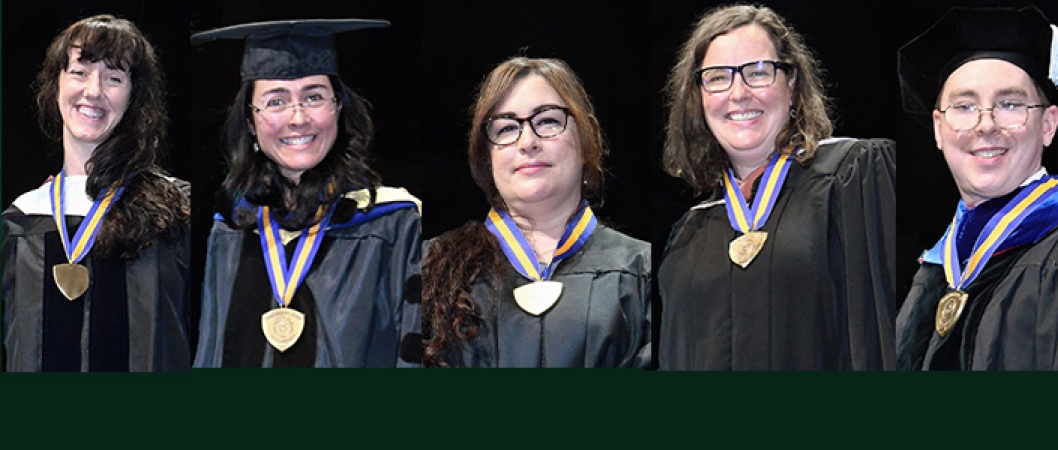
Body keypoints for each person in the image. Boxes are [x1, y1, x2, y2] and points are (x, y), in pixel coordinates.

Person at [893, 6, 1058, 370]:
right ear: (938, 128)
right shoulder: (937, 267)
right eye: (965, 106)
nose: (986, 125)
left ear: (1048, 124)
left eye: (1010, 104)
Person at [658, 4, 896, 370]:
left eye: (757, 72)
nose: (738, 93)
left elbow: (881, 333)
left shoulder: (855, 176)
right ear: (699, 97)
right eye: (718, 77)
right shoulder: (690, 234)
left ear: (792, 83)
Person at [190, 19, 423, 368]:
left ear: (338, 107)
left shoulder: (393, 224)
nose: (298, 118)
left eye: (314, 97)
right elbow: (209, 357)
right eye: (276, 102)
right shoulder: (230, 230)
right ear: (251, 122)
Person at [422, 57, 651, 368]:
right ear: (487, 157)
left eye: (548, 121)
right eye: (506, 128)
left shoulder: (642, 270)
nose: (527, 142)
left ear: (585, 140)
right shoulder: (431, 269)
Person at [2, 14, 192, 372]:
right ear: (55, 85)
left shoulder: (176, 209)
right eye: (80, 72)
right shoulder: (20, 218)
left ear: (133, 97)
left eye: (114, 78)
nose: (93, 91)